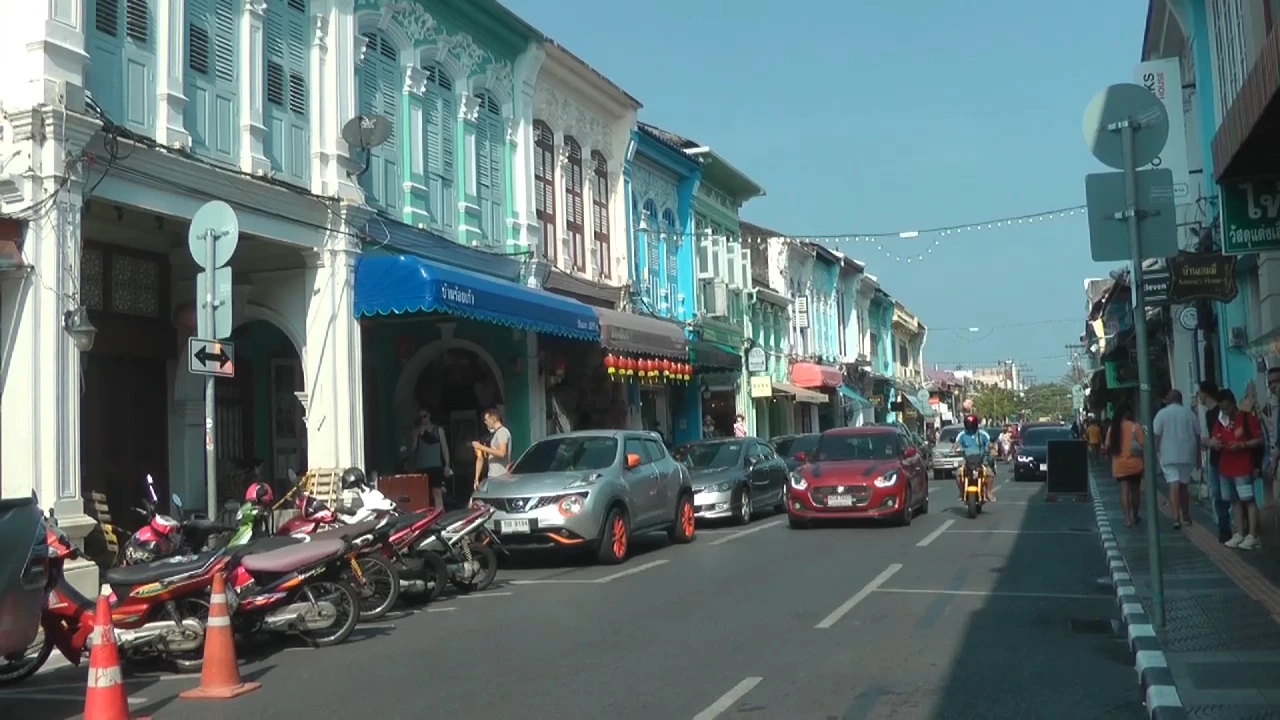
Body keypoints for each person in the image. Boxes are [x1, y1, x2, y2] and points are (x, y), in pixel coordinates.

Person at [1209, 389, 1263, 550]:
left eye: (1227, 408)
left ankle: (1253, 535)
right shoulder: (1221, 421)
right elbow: (1214, 437)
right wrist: (1214, 443)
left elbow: (1259, 440)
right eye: (1222, 409)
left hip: (1242, 467)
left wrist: (1242, 445)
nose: (1225, 412)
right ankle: (1239, 533)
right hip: (1226, 467)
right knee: (1234, 501)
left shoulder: (1247, 418)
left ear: (1233, 403)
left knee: (1248, 500)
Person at [1153, 389, 1199, 529]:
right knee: (1184, 485)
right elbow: (1197, 435)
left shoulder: (1162, 414)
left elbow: (1156, 435)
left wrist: (1155, 452)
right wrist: (1198, 457)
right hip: (1187, 454)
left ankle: (1175, 518)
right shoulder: (1189, 414)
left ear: (1169, 399)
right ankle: (1185, 514)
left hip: (1168, 455)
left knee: (1173, 484)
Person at [1198, 380, 1233, 542]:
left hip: (1225, 458)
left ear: (1204, 393)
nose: (1198, 396)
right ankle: (1224, 529)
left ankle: (1231, 528)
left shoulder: (1220, 411)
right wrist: (1207, 442)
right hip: (1214, 459)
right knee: (1218, 496)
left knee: (1227, 496)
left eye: (1199, 392)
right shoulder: (1208, 414)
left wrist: (1209, 442)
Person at [1107, 400, 1145, 527]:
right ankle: (1135, 516)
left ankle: (1127, 519)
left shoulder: (1113, 429)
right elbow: (1143, 445)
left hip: (1120, 465)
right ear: (1128, 412)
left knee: (1124, 492)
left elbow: (1107, 446)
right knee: (1135, 491)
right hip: (1135, 465)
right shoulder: (1135, 426)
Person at [410, 409, 452, 510]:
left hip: (435, 465)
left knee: (437, 491)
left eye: (424, 416)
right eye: (420, 418)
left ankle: (440, 512)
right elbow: (412, 448)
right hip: (421, 466)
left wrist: (447, 464)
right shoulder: (416, 431)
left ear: (429, 416)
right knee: (422, 493)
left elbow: (444, 447)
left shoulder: (438, 430)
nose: (423, 419)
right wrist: (416, 435)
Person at [952, 414, 996, 502]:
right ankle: (962, 492)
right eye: (968, 424)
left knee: (989, 474)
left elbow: (989, 444)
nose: (970, 426)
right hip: (967, 460)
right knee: (958, 474)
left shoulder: (982, 434)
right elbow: (956, 445)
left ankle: (988, 492)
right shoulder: (962, 435)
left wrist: (992, 449)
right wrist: (954, 449)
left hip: (981, 459)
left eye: (972, 424)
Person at [472, 408, 512, 479]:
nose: (485, 422)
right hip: (494, 475)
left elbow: (502, 453)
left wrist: (481, 447)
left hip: (500, 475)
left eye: (486, 420)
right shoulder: (495, 434)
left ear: (493, 419)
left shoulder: (502, 432)